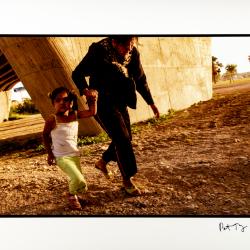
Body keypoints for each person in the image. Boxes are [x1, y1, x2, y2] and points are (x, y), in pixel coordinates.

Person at [72, 36, 160, 195]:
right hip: (102, 101)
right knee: (122, 138)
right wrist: (86, 90)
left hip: (120, 99)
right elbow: (77, 73)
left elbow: (140, 78)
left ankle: (103, 161)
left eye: (132, 45)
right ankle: (127, 180)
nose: (129, 50)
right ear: (114, 42)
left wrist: (151, 102)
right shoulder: (98, 50)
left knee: (126, 138)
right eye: (126, 46)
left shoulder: (133, 53)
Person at [43, 86, 97, 209]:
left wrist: (93, 99)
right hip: (61, 157)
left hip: (74, 154)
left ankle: (76, 195)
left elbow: (92, 112)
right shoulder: (52, 119)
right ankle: (71, 196)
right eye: (58, 100)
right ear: (53, 103)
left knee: (78, 180)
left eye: (66, 100)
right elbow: (45, 135)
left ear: (71, 103)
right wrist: (50, 154)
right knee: (78, 178)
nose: (62, 102)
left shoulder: (75, 115)